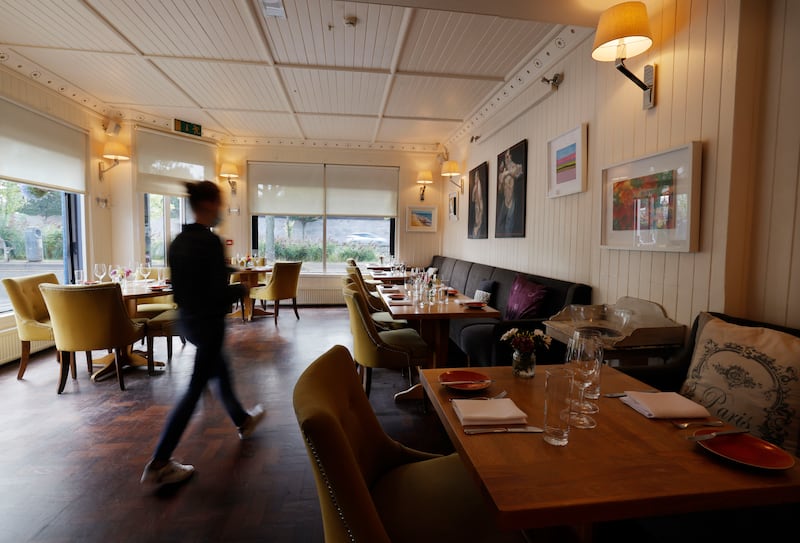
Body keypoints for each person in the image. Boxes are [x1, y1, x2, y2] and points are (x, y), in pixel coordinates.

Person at [141, 180, 265, 485]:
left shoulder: (178, 242)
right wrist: (241, 287)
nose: (222, 209)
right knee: (196, 388)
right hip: (209, 323)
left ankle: (242, 420)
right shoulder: (210, 243)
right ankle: (160, 461)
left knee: (220, 372)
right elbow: (215, 293)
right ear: (208, 204)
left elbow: (186, 288)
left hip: (189, 322)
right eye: (219, 203)